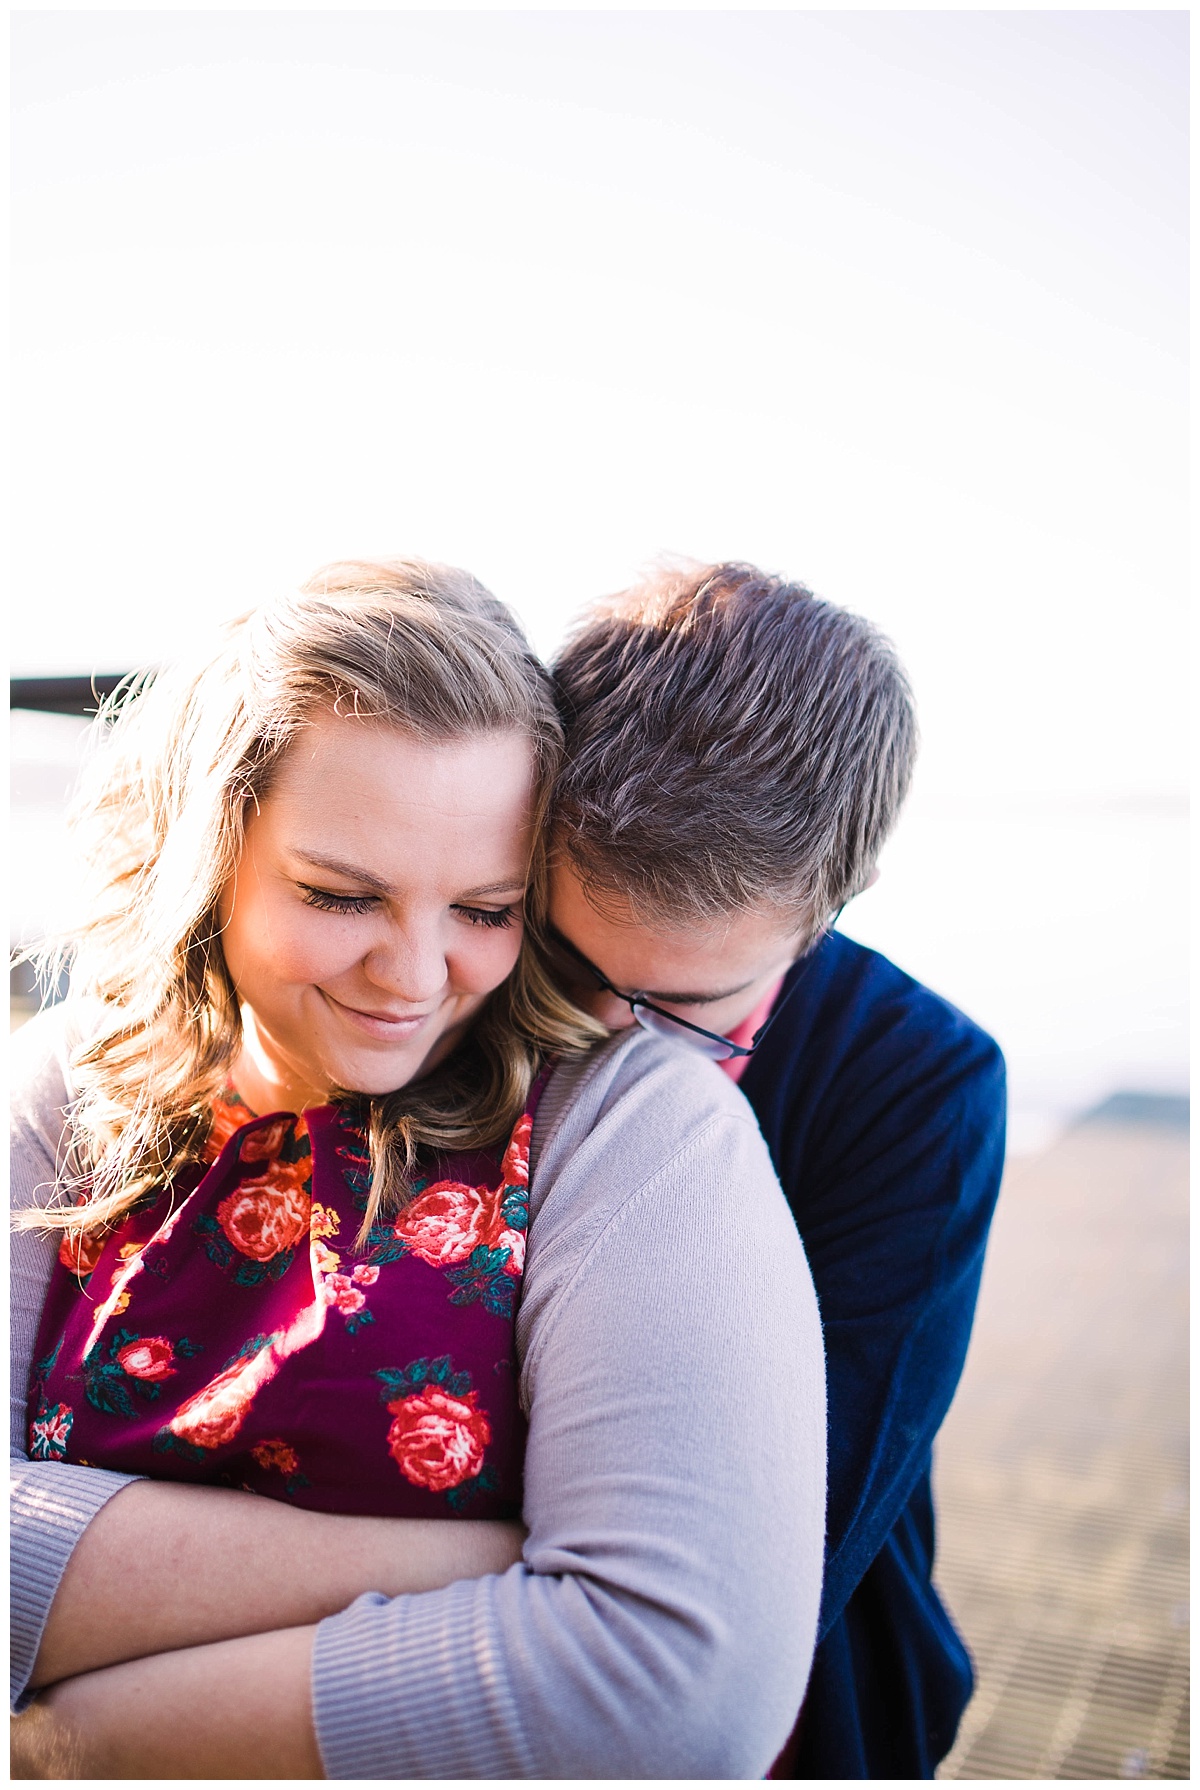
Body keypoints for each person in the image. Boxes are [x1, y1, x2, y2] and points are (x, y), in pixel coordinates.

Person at [10, 559, 826, 1779]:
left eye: (488, 910)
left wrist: (72, 1742)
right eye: (343, 895)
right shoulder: (71, 1078)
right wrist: (483, 1569)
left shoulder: (628, 1132)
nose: (414, 973)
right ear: (210, 846)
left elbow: (673, 1692)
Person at [547, 560, 1007, 1779]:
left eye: (683, 1005)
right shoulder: (456, 965)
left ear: (830, 908)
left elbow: (791, 1538)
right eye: (563, 959)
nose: (603, 1034)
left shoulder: (922, 1086)